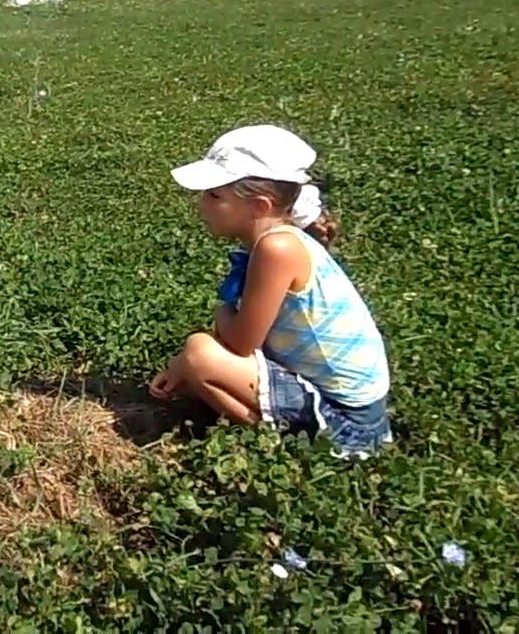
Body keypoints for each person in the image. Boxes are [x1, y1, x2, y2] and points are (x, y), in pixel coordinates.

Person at [150, 124, 392, 459]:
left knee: (201, 352)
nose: (200, 204)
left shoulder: (276, 249)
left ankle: (285, 451)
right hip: (350, 407)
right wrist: (183, 366)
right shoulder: (281, 239)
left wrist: (221, 312)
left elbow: (240, 342)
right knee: (197, 360)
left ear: (260, 206)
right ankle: (271, 433)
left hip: (349, 423)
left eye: (214, 195)